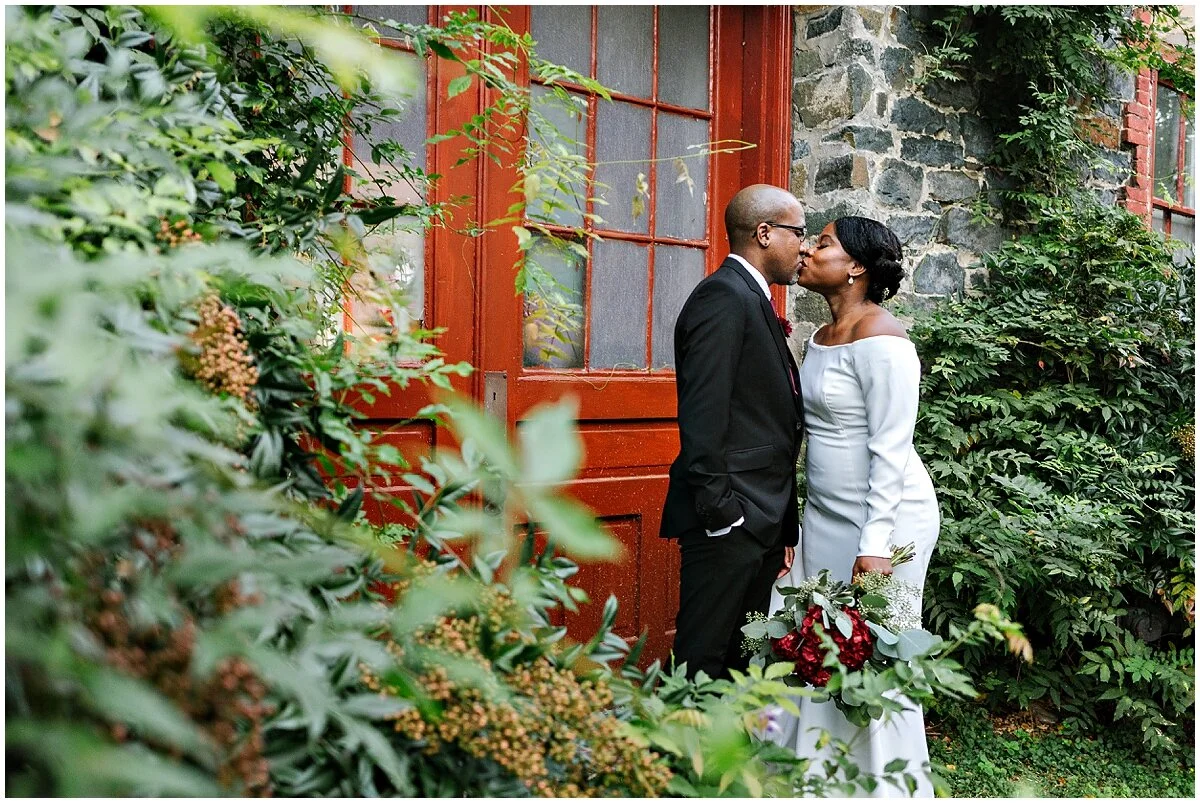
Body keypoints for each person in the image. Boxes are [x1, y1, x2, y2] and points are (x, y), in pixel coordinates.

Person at [768, 216, 940, 796]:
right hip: (824, 517)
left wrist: (875, 546)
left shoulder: (885, 340)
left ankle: (885, 785)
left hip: (887, 522)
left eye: (824, 243)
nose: (811, 249)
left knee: (872, 652)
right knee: (812, 641)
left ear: (858, 267)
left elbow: (891, 451)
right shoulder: (819, 337)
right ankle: (811, 777)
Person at [660, 184, 808, 681]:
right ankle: (675, 758)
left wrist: (780, 525)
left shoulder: (751, 297)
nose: (803, 246)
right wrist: (723, 514)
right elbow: (703, 417)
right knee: (702, 659)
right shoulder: (722, 297)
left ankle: (727, 758)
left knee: (740, 662)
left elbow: (766, 418)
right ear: (764, 233)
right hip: (729, 521)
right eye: (798, 233)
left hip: (760, 520)